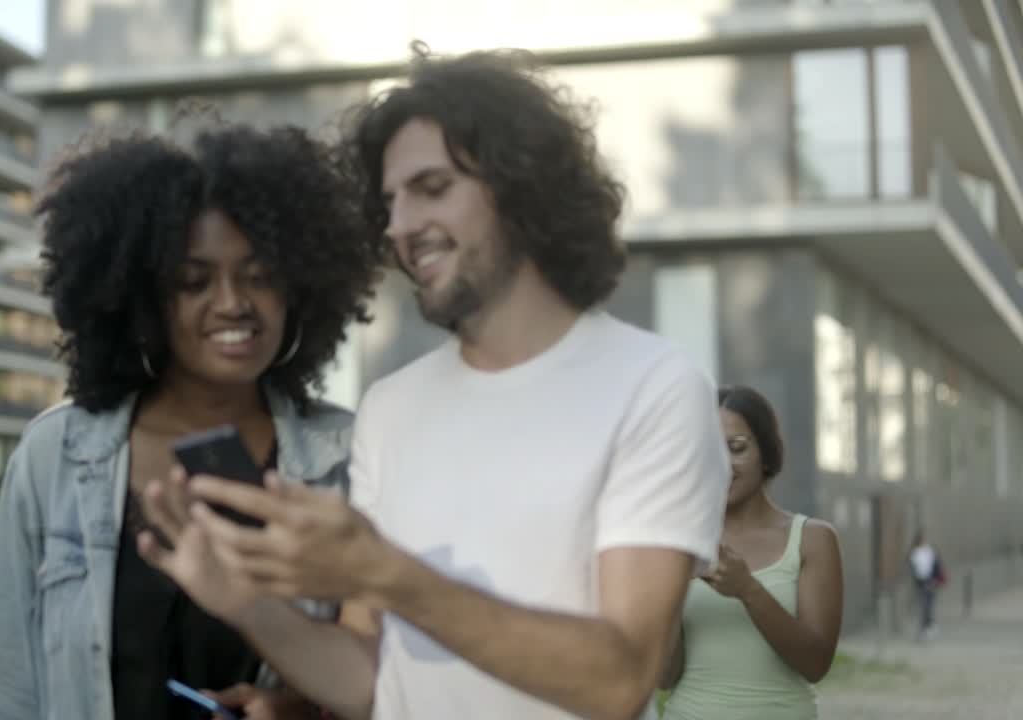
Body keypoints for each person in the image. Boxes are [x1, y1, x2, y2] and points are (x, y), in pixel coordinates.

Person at [137, 45, 729, 720]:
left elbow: (619, 679)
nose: (399, 226)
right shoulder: (391, 407)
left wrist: (389, 573)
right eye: (390, 202)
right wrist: (248, 605)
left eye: (432, 187)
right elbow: (368, 680)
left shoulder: (654, 388)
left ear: (521, 185)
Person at [0, 125, 382, 720]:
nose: (233, 303)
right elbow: (10, 700)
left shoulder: (353, 457)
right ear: (139, 298)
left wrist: (303, 711)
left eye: (260, 276)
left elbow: (391, 686)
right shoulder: (54, 453)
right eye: (194, 281)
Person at [659, 384, 844, 720]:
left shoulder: (812, 540)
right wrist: (670, 592)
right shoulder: (681, 542)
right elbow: (665, 677)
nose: (722, 464)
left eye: (737, 447)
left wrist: (747, 589)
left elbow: (815, 664)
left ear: (766, 452)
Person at [909, 530, 943, 640]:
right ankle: (927, 627)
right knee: (926, 605)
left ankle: (928, 626)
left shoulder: (926, 551)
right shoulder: (917, 553)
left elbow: (935, 565)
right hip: (924, 581)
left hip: (928, 581)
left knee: (928, 604)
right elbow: (917, 569)